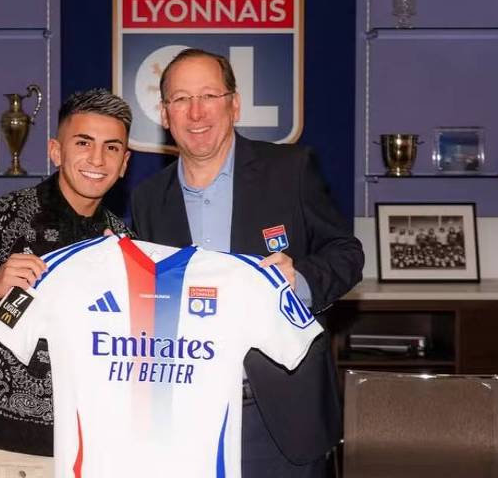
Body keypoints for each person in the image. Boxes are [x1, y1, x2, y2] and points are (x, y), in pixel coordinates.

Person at [130, 48, 364, 477]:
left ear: (234, 104)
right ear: (164, 115)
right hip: (185, 418)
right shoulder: (148, 199)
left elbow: (346, 254)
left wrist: (300, 281)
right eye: (181, 99)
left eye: (209, 96)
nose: (196, 112)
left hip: (277, 417)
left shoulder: (290, 169)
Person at [0, 88, 133, 478]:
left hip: (96, 450)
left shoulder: (123, 241)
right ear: (56, 150)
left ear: (124, 162)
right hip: (6, 455)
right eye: (83, 143)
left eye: (111, 148)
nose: (97, 159)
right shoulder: (0, 218)